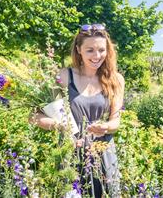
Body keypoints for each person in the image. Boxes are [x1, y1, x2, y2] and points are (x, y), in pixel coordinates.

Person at [30, 24, 124, 197]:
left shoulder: (116, 80)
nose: (97, 56)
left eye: (101, 50)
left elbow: (115, 121)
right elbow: (35, 116)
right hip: (71, 153)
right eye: (90, 50)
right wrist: (61, 127)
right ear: (79, 49)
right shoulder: (64, 76)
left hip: (103, 153)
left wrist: (106, 127)